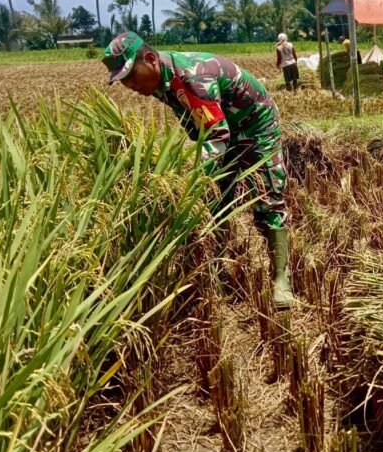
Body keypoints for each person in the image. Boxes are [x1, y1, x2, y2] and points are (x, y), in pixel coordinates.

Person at [101, 32, 295, 308]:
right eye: (122, 79)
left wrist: (189, 176)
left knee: (267, 197)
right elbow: (196, 122)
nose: (129, 84)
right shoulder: (158, 81)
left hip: (255, 124)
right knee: (216, 199)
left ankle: (280, 280)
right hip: (221, 126)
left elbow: (217, 136)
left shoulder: (193, 77)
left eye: (131, 74)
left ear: (151, 58)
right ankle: (218, 270)